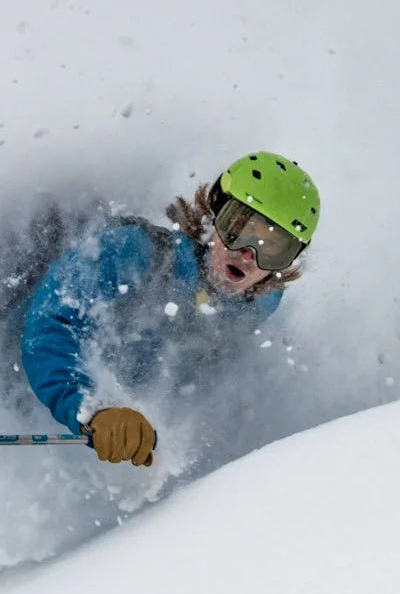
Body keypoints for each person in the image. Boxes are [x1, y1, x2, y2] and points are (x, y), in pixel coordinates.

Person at [20, 152, 320, 468]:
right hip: (19, 374)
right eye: (241, 230)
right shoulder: (134, 252)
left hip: (93, 440)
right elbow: (50, 325)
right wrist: (93, 407)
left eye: (273, 248)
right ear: (212, 214)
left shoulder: (260, 305)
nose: (249, 255)